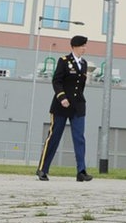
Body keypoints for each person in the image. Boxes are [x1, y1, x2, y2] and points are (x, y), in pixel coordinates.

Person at [36, 34, 93, 181]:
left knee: (79, 138)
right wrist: (62, 97)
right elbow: (57, 81)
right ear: (74, 47)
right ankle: (43, 169)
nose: (84, 49)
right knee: (54, 137)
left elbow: (80, 86)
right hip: (61, 106)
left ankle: (81, 171)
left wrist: (76, 100)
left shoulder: (84, 64)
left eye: (85, 46)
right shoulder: (63, 61)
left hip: (78, 106)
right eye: (82, 46)